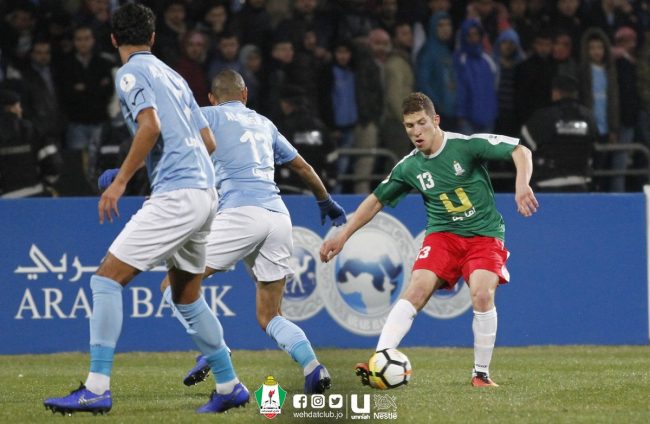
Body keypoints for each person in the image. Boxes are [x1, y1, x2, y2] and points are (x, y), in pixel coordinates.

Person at [43, 3, 225, 415]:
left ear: (113, 40)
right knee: (187, 296)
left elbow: (150, 125)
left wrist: (122, 180)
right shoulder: (174, 76)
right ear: (153, 38)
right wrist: (144, 168)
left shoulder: (129, 73)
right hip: (205, 192)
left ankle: (96, 388)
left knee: (106, 280)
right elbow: (208, 142)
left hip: (178, 194)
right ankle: (230, 384)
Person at [319, 92, 538, 388]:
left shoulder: (466, 145)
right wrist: (343, 234)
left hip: (483, 235)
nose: (416, 132)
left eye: (421, 123)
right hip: (443, 235)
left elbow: (521, 151)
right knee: (418, 288)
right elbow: (375, 200)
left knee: (482, 294)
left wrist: (522, 184)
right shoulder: (409, 166)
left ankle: (481, 374)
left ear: (436, 120)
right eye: (409, 126)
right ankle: (378, 361)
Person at [158, 69, 346, 397]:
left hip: (240, 214)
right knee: (270, 315)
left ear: (211, 98)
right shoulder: (265, 124)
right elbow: (302, 167)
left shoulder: (206, 115)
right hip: (278, 217)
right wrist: (326, 201)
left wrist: (124, 171)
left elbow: (167, 140)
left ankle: (213, 349)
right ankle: (313, 367)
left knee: (173, 285)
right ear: (245, 95)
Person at [521, 75, 599, 192]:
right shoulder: (589, 118)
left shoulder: (543, 118)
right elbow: (596, 152)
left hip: (547, 183)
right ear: (575, 94)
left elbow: (521, 149)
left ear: (555, 93)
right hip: (580, 183)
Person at [0, 89, 62, 198]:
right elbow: (54, 164)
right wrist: (46, 184)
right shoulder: (33, 130)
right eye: (19, 106)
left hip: (4, 199)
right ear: (12, 108)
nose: (21, 110)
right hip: (34, 194)